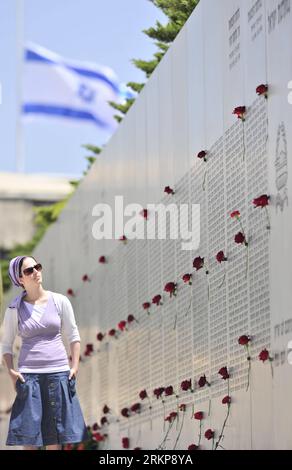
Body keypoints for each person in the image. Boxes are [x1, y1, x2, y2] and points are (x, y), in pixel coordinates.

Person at [1, 255, 89, 450]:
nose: (36, 272)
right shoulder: (14, 309)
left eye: (37, 267)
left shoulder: (60, 301)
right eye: (29, 270)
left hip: (58, 373)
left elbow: (73, 334)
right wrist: (11, 372)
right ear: (20, 279)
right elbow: (5, 345)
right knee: (29, 438)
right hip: (29, 377)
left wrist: (74, 366)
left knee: (53, 437)